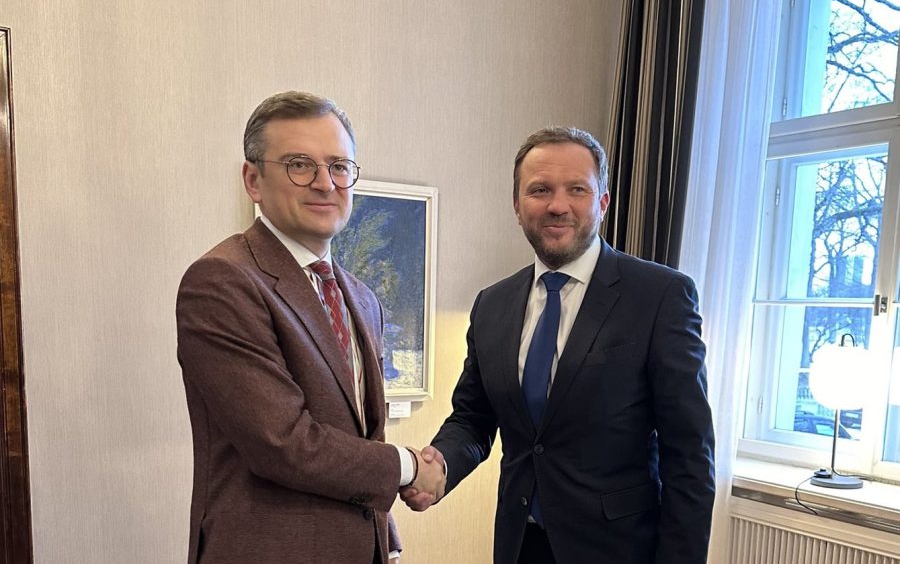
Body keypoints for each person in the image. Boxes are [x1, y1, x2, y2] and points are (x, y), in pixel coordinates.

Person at [403, 126, 715, 563]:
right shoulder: (492, 304)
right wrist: (440, 466)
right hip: (520, 545)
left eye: (577, 189)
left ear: (602, 203)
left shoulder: (660, 296)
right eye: (540, 190)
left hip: (619, 550)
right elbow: (473, 418)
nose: (557, 205)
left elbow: (690, 455)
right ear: (517, 206)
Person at [177, 91, 444, 564]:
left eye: (339, 167)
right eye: (299, 165)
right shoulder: (222, 281)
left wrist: (387, 541)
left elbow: (361, 440)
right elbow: (284, 443)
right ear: (253, 180)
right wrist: (407, 466)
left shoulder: (362, 298)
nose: (325, 183)